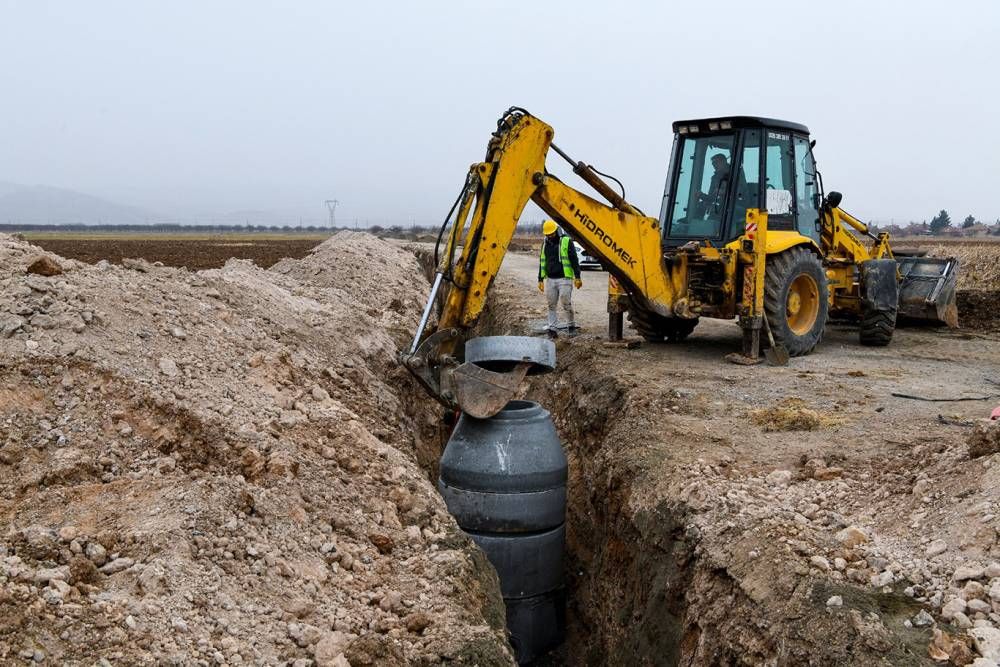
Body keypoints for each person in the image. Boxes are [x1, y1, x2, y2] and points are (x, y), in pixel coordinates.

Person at [537, 220, 582, 336]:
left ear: (556, 231)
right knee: (551, 305)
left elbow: (574, 260)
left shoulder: (566, 241)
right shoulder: (545, 243)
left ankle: (571, 326)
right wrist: (540, 279)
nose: (550, 236)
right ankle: (552, 329)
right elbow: (542, 261)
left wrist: (577, 276)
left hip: (564, 279)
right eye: (547, 234)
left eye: (551, 234)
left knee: (566, 303)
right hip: (550, 280)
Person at [694, 153, 731, 218]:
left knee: (717, 209)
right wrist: (701, 195)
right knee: (701, 205)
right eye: (713, 164)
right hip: (720, 205)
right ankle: (694, 222)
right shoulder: (715, 178)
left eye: (716, 162)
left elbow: (739, 192)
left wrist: (723, 192)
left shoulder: (735, 173)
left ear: (724, 161)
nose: (714, 165)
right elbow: (711, 198)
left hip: (734, 204)